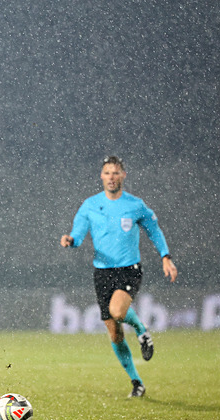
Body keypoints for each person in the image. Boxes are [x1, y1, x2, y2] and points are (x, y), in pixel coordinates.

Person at [60, 156, 177, 398]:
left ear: (123, 175)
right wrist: (71, 241)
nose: (111, 177)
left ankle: (141, 329)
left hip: (128, 269)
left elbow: (154, 229)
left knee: (118, 312)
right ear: (101, 177)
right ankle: (137, 382)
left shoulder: (135, 205)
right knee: (114, 333)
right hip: (102, 272)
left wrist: (165, 256)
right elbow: (78, 234)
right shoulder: (90, 205)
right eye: (107, 173)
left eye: (115, 172)